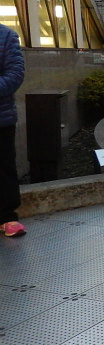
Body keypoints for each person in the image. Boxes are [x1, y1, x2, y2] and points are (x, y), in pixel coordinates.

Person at [0, 23, 26, 238]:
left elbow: (15, 74)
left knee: (4, 167)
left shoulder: (6, 35)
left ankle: (7, 216)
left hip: (1, 118)